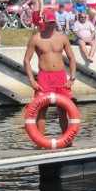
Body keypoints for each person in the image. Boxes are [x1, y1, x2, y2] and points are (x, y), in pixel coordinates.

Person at [23, 10, 77, 141]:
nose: (51, 25)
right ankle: (40, 141)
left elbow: (72, 58)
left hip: (60, 76)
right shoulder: (36, 38)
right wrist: (32, 80)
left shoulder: (62, 38)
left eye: (53, 22)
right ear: (43, 21)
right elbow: (26, 60)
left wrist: (72, 78)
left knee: (63, 110)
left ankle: (67, 141)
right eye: (49, 22)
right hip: (44, 77)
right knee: (42, 110)